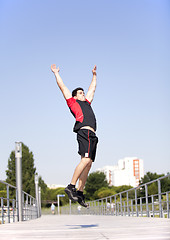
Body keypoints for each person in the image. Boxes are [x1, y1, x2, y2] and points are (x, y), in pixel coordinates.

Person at [51, 64, 98, 207]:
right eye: (80, 92)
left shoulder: (87, 103)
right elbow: (63, 87)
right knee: (85, 160)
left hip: (93, 135)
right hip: (85, 132)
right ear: (75, 96)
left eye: (83, 92)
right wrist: (56, 73)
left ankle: (80, 192)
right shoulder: (72, 102)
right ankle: (71, 186)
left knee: (88, 163)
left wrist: (94, 75)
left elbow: (92, 89)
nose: (83, 93)